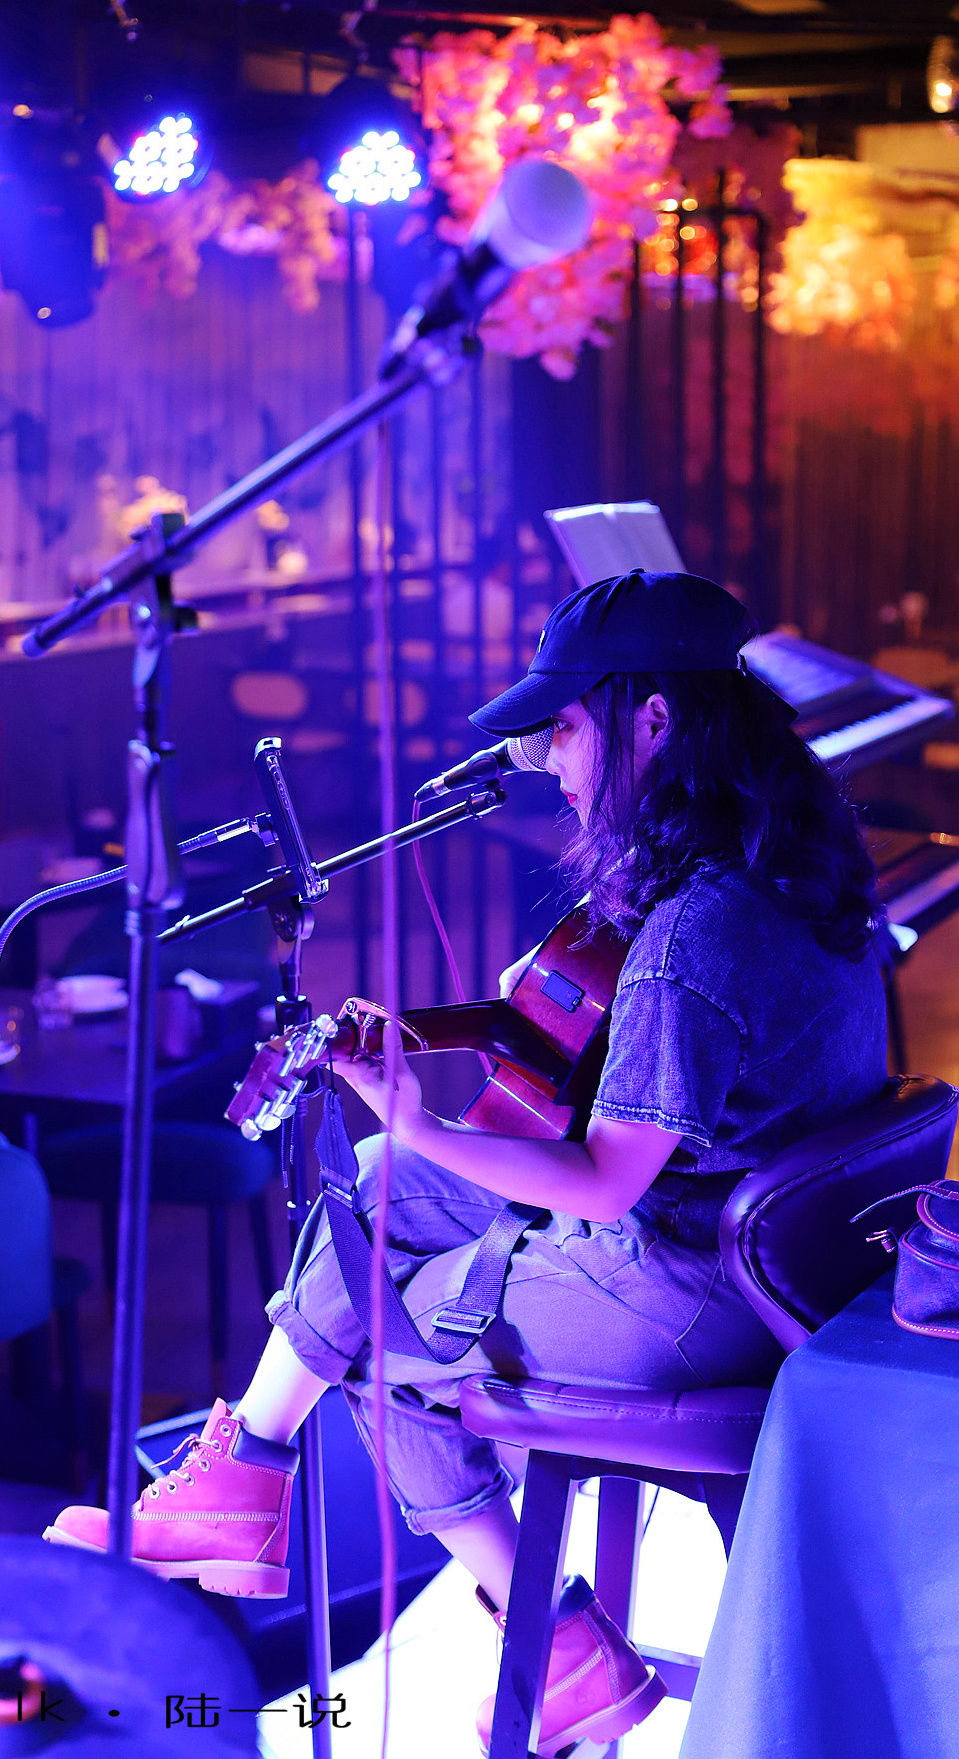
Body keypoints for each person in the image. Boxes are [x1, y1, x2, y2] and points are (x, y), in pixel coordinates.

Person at [45, 570, 889, 1755]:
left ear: (654, 721)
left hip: (689, 1293)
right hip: (780, 1265)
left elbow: (606, 1181)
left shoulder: (695, 932)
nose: (550, 761)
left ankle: (552, 1645)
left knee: (377, 1321)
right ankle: (247, 1470)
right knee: (383, 1174)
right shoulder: (804, 868)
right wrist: (431, 1131)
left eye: (565, 728)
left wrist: (444, 1124)